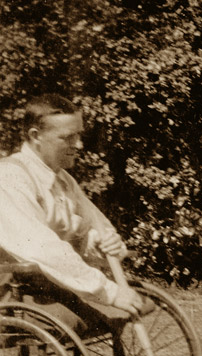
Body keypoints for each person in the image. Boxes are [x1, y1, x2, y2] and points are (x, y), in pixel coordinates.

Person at [0, 94, 144, 332]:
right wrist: (108, 291)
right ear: (36, 136)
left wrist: (102, 242)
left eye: (78, 135)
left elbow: (92, 228)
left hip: (41, 288)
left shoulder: (63, 180)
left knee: (106, 317)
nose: (79, 144)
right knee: (80, 320)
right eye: (68, 137)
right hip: (9, 294)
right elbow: (42, 248)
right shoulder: (10, 178)